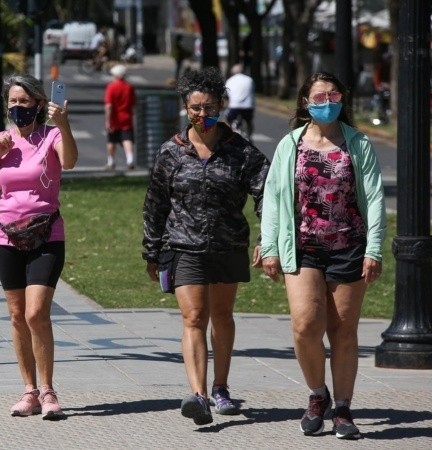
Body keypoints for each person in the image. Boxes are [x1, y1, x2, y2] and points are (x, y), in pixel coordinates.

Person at [259, 71, 386, 440]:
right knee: (305, 326)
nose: (327, 102)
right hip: (303, 248)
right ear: (305, 102)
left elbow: (375, 198)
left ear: (343, 101)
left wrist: (373, 249)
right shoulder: (290, 145)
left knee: (343, 331)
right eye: (319, 97)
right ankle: (318, 394)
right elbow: (275, 199)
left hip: (349, 246)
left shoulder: (358, 144)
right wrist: (269, 246)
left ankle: (343, 409)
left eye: (334, 96)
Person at [142, 67, 270, 426]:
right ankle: (197, 395)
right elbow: (155, 205)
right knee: (194, 317)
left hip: (228, 244)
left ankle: (221, 387)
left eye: (210, 107)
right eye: (196, 108)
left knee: (223, 316)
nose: (203, 115)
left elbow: (266, 195)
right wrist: (151, 251)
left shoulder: (241, 151)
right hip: (184, 246)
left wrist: (267, 238)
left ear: (223, 105)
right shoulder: (171, 152)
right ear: (186, 107)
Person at [0, 74, 78, 420]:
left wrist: (63, 124)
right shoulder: (1, 141)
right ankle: (29, 391)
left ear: (38, 103)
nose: (17, 108)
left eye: (24, 102)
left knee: (37, 313)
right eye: (12, 103)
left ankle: (49, 390)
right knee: (18, 315)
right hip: (4, 237)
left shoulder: (50, 135)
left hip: (46, 235)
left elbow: (70, 162)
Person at [104, 64, 136, 170]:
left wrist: (108, 120)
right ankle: (130, 159)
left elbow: (109, 106)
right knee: (127, 139)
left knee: (111, 141)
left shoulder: (111, 87)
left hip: (114, 118)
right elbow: (133, 102)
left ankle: (111, 161)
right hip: (126, 117)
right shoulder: (129, 87)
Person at [225, 63, 255, 138]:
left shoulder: (229, 80)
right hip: (248, 106)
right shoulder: (249, 79)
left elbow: (227, 95)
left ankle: (226, 137)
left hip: (234, 106)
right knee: (249, 122)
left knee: (227, 121)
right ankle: (250, 137)